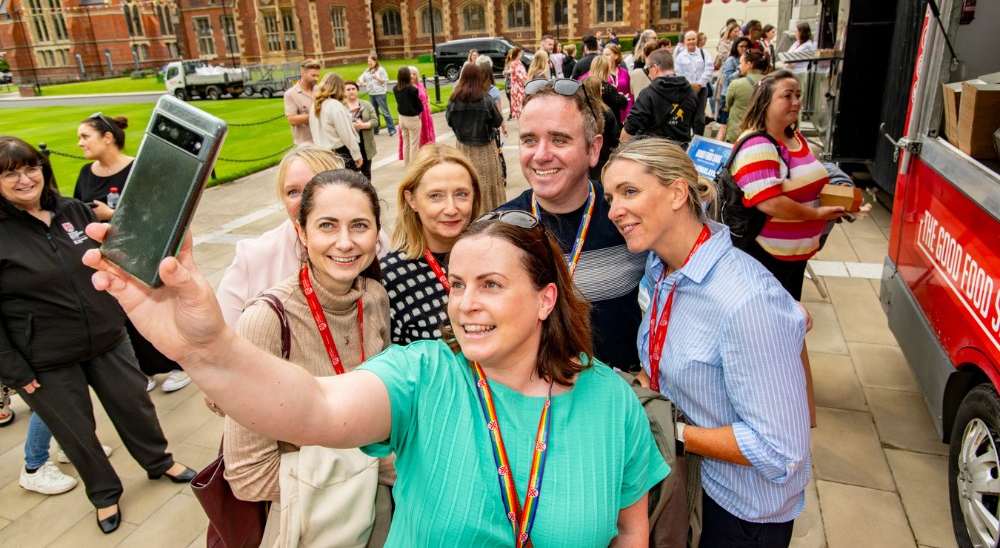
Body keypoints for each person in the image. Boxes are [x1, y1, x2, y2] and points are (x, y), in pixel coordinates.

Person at [83, 211, 668, 547]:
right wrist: (205, 349)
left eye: (490, 284)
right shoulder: (424, 376)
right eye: (457, 285)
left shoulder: (609, 399)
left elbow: (629, 531)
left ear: (545, 300)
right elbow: (311, 407)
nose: (465, 304)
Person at [603, 138, 812, 548]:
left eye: (630, 191)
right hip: (695, 490)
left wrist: (670, 430)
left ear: (678, 192)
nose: (614, 210)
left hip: (740, 515)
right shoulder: (663, 267)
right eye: (611, 197)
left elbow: (780, 452)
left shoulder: (746, 301)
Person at [0, 137, 194, 535]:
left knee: (135, 406)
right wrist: (13, 370)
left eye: (30, 168)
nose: (24, 179)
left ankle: (159, 462)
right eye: (10, 173)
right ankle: (104, 493)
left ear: (43, 169)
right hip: (44, 358)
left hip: (108, 336)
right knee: (75, 431)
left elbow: (122, 256)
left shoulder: (72, 210)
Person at [224, 169, 392, 544]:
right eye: (327, 226)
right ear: (301, 232)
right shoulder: (265, 320)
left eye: (360, 226)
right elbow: (248, 475)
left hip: (379, 511)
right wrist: (381, 465)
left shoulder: (375, 298)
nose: (345, 243)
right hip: (311, 520)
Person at [499, 79, 646, 372]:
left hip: (621, 395)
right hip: (534, 397)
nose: (541, 155)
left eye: (559, 140)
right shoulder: (500, 231)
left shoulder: (630, 218)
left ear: (593, 149)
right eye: (529, 140)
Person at [75, 113, 189, 393]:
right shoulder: (86, 173)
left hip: (143, 249)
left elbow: (158, 211)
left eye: (85, 136)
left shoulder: (138, 169)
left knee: (156, 305)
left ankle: (178, 364)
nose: (80, 143)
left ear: (108, 138)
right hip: (111, 255)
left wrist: (110, 214)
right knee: (125, 312)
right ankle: (146, 369)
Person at [730, 70, 844, 298]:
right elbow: (769, 203)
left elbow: (815, 177)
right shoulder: (757, 144)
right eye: (788, 95)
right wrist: (818, 214)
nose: (796, 102)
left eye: (798, 95)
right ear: (765, 101)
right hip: (766, 258)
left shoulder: (795, 138)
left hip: (795, 256)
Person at [216, 145, 346, 329]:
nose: (304, 201)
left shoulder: (370, 242)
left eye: (315, 187)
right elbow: (223, 335)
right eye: (293, 192)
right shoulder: (253, 256)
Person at [381, 144, 482, 344]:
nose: (451, 208)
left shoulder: (493, 257)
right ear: (412, 200)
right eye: (436, 196)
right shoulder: (390, 277)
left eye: (461, 194)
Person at [446, 63, 505, 211]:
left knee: (466, 183)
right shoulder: (486, 98)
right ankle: (489, 212)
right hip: (485, 148)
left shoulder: (454, 99)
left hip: (464, 148)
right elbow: (497, 121)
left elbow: (449, 121)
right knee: (488, 184)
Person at [621, 49, 698, 147]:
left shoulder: (648, 94)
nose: (648, 74)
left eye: (647, 70)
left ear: (655, 68)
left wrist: (622, 143)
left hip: (655, 153)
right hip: (680, 151)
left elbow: (630, 129)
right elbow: (696, 122)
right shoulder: (691, 92)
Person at [310, 72, 364, 170]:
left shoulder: (315, 105)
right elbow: (346, 134)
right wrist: (357, 154)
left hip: (322, 153)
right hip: (339, 153)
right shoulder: (334, 105)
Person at [583, 58, 622, 180]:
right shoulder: (606, 111)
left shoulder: (579, 111)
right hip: (603, 159)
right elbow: (615, 137)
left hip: (584, 160)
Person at [723, 49, 770, 143]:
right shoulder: (772, 84)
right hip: (762, 134)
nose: (739, 66)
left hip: (737, 133)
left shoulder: (736, 84)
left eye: (741, 63)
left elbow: (728, 104)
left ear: (749, 65)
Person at [673, 30, 714, 137]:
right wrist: (691, 85)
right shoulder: (680, 57)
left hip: (702, 89)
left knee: (700, 117)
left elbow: (709, 69)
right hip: (687, 90)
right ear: (685, 41)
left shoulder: (704, 54)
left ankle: (698, 137)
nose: (691, 41)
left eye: (693, 39)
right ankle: (687, 137)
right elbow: (679, 73)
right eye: (689, 39)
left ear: (697, 40)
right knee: (687, 115)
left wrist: (699, 84)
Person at [714, 37, 752, 139]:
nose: (744, 49)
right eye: (741, 46)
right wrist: (740, 70)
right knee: (724, 125)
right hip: (728, 94)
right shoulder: (731, 60)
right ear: (736, 47)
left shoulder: (749, 60)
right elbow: (727, 79)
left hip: (742, 93)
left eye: (746, 46)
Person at [345, 80, 377, 180]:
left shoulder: (366, 104)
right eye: (348, 89)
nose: (351, 91)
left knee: (366, 172)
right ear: (344, 92)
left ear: (357, 90)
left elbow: (375, 121)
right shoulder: (342, 107)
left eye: (353, 89)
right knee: (351, 174)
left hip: (365, 144)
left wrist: (363, 125)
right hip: (350, 145)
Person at [284, 59, 320, 145]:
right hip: (305, 144)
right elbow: (292, 120)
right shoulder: (290, 94)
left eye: (318, 76)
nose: (316, 78)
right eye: (313, 75)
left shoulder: (320, 90)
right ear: (303, 73)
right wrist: (315, 114)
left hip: (322, 140)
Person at [393, 67, 424, 166]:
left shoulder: (395, 88)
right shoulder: (412, 89)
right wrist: (418, 111)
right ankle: (413, 166)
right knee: (414, 144)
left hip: (402, 118)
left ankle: (407, 164)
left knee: (406, 143)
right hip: (411, 118)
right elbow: (419, 105)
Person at [358, 55, 396, 136]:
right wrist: (361, 81)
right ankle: (376, 130)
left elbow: (386, 81)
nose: (369, 63)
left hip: (380, 93)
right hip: (372, 94)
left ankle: (392, 129)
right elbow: (361, 77)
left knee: (385, 112)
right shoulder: (368, 70)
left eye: (371, 61)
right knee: (374, 113)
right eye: (368, 61)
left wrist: (377, 78)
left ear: (375, 61)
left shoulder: (381, 70)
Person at [601, 43, 632, 121]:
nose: (604, 57)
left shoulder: (625, 73)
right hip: (607, 114)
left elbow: (630, 94)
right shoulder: (600, 73)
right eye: (603, 55)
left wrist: (629, 113)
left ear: (616, 56)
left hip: (623, 112)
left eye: (607, 55)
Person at [409, 65, 436, 147]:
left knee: (426, 133)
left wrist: (429, 109)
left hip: (425, 113)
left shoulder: (420, 85)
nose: (412, 76)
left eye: (414, 74)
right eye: (410, 74)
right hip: (415, 114)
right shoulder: (407, 88)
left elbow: (427, 97)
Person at [503, 46, 528, 120]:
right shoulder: (513, 63)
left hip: (522, 85)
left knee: (522, 103)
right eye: (520, 53)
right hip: (518, 87)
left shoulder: (519, 62)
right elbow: (517, 74)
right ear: (518, 53)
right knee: (519, 103)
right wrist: (525, 83)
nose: (521, 54)